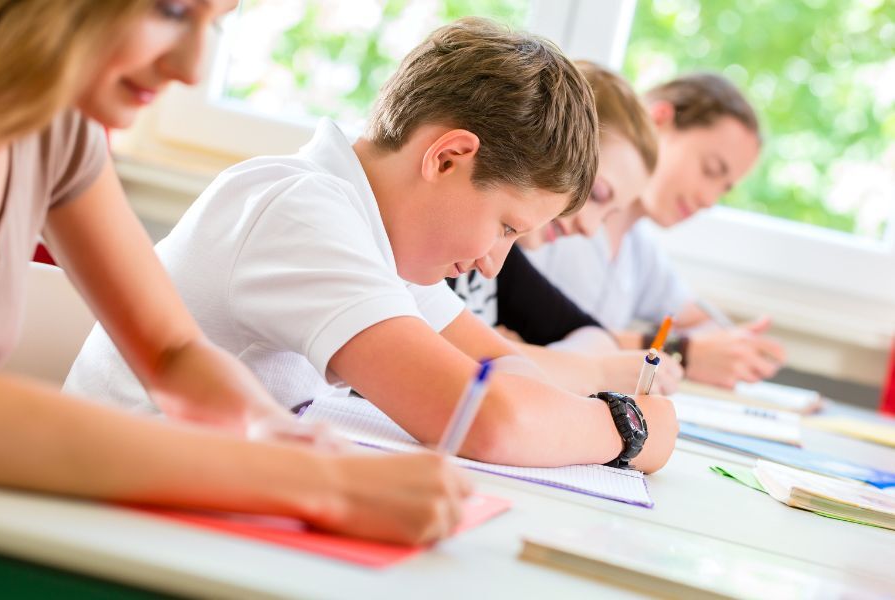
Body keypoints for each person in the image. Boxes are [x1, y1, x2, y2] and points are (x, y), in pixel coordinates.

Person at [67, 18, 679, 472]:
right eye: (506, 227)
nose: (496, 264)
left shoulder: (387, 235)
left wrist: (528, 394)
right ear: (448, 158)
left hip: (197, 487)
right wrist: (628, 427)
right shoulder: (304, 212)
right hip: (117, 508)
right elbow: (482, 419)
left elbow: (498, 366)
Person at [0, 0, 468, 545]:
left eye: (216, 21)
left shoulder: (59, 127)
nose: (191, 70)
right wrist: (319, 482)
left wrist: (266, 429)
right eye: (171, 10)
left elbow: (170, 350)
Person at [526, 73, 786, 389]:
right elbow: (521, 336)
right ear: (659, 119)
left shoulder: (638, 249)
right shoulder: (556, 220)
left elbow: (702, 322)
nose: (708, 200)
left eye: (723, 189)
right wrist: (680, 351)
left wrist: (730, 346)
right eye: (711, 170)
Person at [448, 61, 683, 396]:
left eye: (608, 216)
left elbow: (596, 336)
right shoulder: (435, 250)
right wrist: (581, 371)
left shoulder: (505, 259)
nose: (589, 228)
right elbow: (445, 354)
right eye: (597, 194)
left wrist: (531, 359)